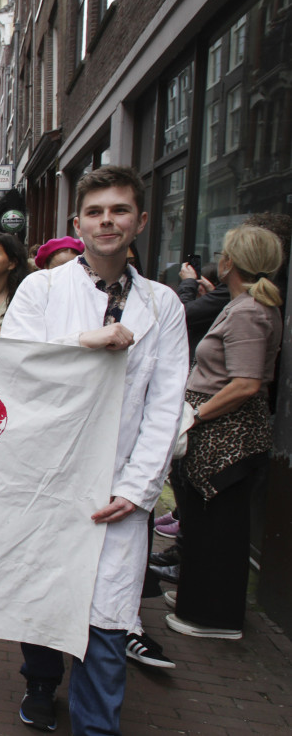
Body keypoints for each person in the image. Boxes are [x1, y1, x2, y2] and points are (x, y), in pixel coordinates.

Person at [0, 166, 187, 734]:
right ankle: (39, 683)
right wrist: (83, 342)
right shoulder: (43, 289)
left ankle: (95, 727)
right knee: (45, 601)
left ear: (140, 222)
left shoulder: (163, 307)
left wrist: (135, 489)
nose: (108, 221)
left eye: (120, 211)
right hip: (47, 478)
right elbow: (14, 366)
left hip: (116, 490)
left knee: (107, 623)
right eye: (97, 211)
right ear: (77, 222)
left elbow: (166, 403)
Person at [166, 225, 283, 641]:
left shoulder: (250, 310)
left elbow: (247, 382)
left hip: (226, 435)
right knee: (202, 520)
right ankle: (199, 598)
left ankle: (213, 615)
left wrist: (195, 417)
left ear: (231, 261)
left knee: (217, 524)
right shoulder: (244, 305)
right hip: (220, 430)